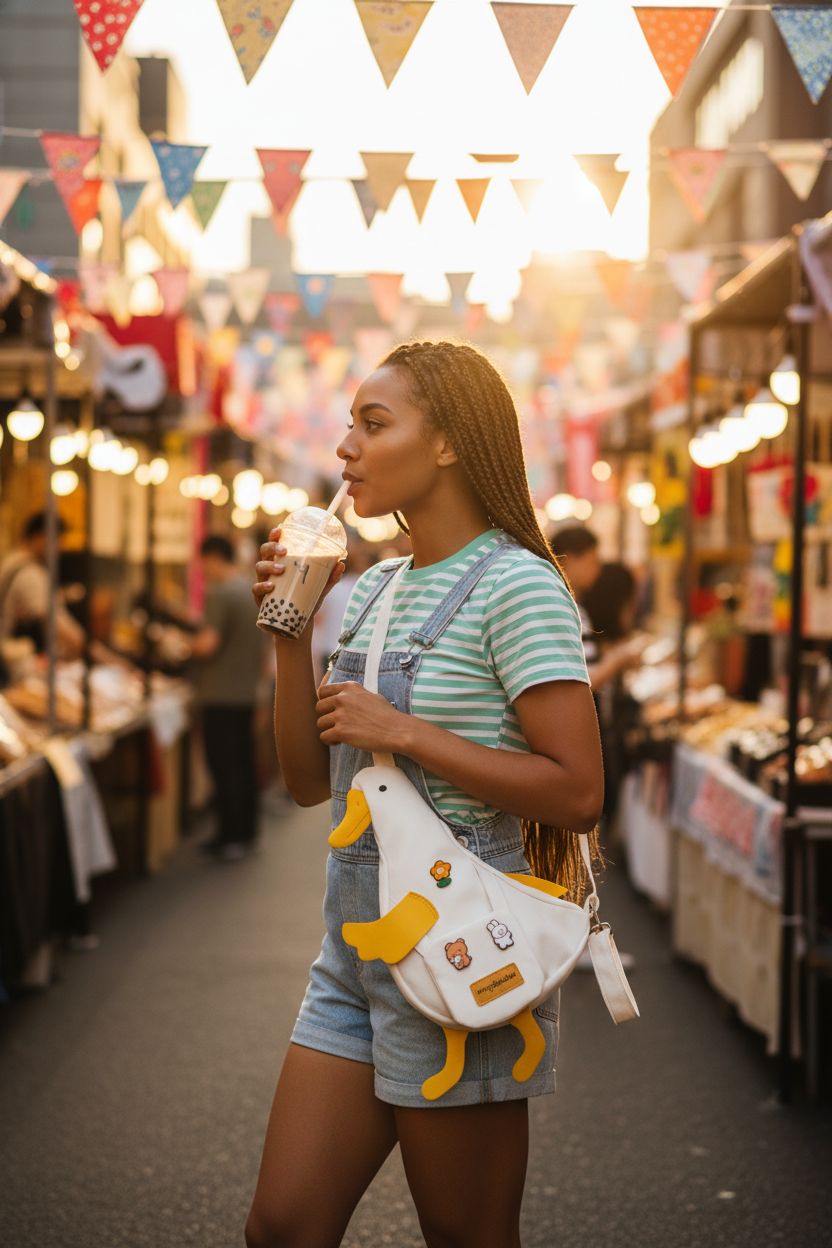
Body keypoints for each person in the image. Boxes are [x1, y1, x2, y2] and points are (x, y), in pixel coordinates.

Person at [247, 341, 604, 1248]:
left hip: (461, 951)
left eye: (373, 424)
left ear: (446, 443)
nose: (346, 449)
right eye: (349, 426)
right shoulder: (373, 587)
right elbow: (306, 784)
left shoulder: (518, 585)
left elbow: (578, 792)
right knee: (282, 1228)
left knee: (466, 1234)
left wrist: (405, 732)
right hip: (352, 956)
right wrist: (290, 635)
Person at [191, 535, 265, 861]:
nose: (202, 570)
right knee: (243, 763)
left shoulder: (220, 593)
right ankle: (246, 831)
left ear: (213, 557)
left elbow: (207, 644)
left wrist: (184, 647)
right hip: (246, 691)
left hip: (219, 693)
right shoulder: (250, 589)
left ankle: (229, 834)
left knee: (223, 766)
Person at [549, 525, 643, 691]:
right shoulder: (564, 609)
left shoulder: (572, 606)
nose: (597, 571)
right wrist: (616, 660)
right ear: (568, 559)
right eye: (592, 562)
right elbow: (580, 682)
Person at [0, 511, 84, 659]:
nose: (60, 549)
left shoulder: (11, 562)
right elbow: (59, 625)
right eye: (58, 541)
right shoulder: (30, 573)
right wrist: (82, 644)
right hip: (14, 660)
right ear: (39, 537)